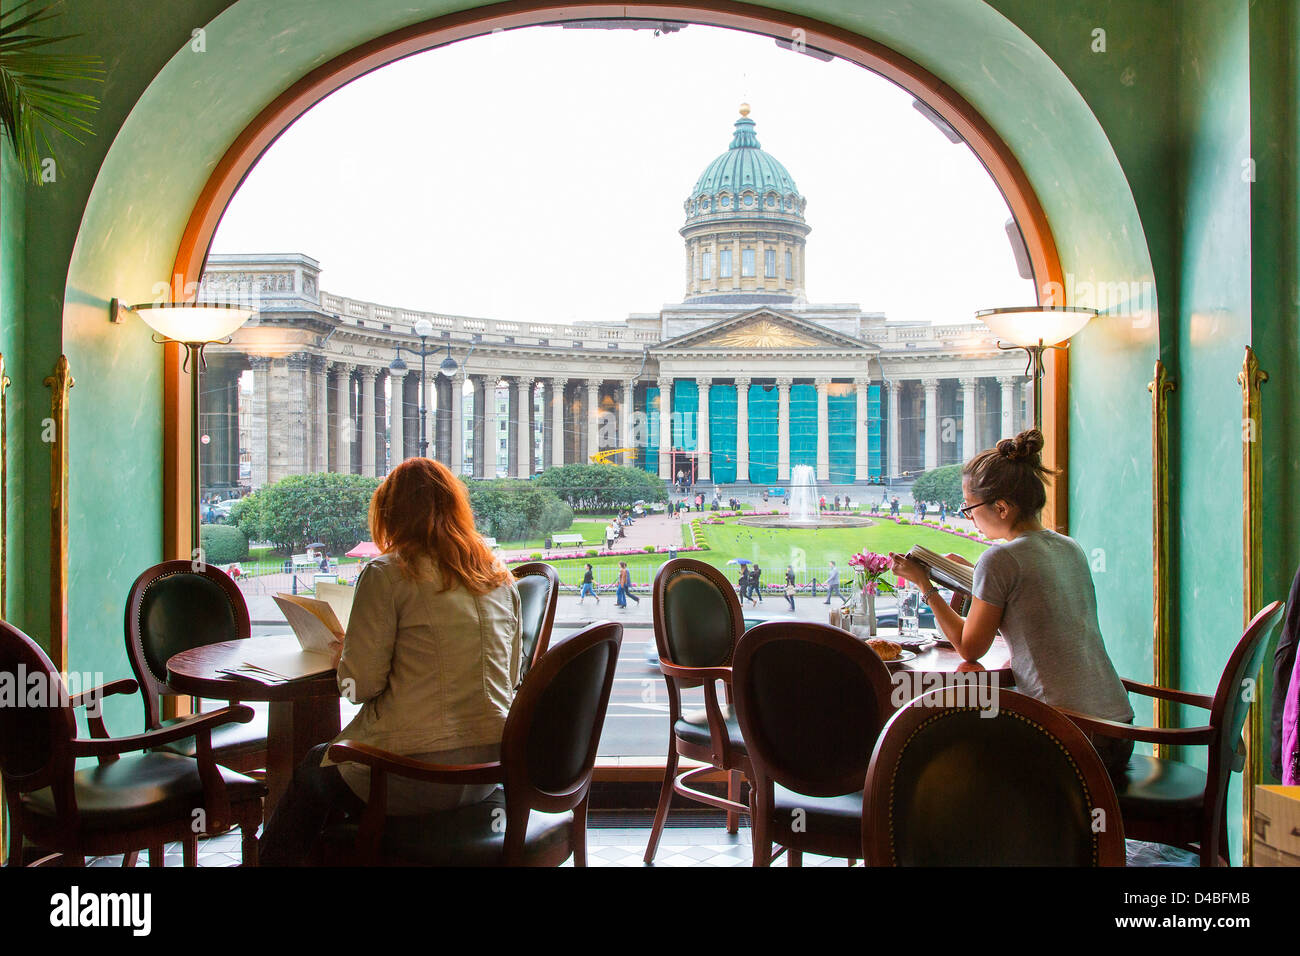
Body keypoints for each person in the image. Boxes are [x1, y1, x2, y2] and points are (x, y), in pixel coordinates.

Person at [258, 458, 522, 865]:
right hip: (490, 769)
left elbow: (360, 687)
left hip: (411, 773)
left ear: (389, 514)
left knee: (314, 768)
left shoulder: (387, 573)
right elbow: (511, 674)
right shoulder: (498, 576)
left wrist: (345, 651)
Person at [888, 429, 1136, 776]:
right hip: (1118, 729)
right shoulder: (1069, 547)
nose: (968, 516)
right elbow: (1029, 592)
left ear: (1001, 507)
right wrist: (968, 571)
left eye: (969, 508)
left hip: (1071, 734)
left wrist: (923, 583)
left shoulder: (1000, 561)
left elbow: (970, 647)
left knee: (951, 762)